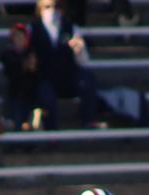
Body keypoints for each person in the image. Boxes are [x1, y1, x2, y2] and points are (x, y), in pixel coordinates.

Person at [29, 0, 103, 130]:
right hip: (45, 79)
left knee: (87, 79)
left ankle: (89, 121)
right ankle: (52, 134)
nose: (52, 10)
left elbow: (84, 62)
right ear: (39, 9)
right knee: (46, 93)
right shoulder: (32, 30)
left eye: (56, 6)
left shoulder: (71, 28)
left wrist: (79, 51)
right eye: (47, 7)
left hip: (66, 78)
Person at [0, 22, 46, 132]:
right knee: (17, 115)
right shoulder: (7, 54)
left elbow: (37, 74)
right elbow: (12, 70)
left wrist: (33, 66)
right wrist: (25, 65)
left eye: (22, 36)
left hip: (32, 96)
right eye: (17, 36)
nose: (20, 39)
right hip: (15, 95)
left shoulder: (33, 53)